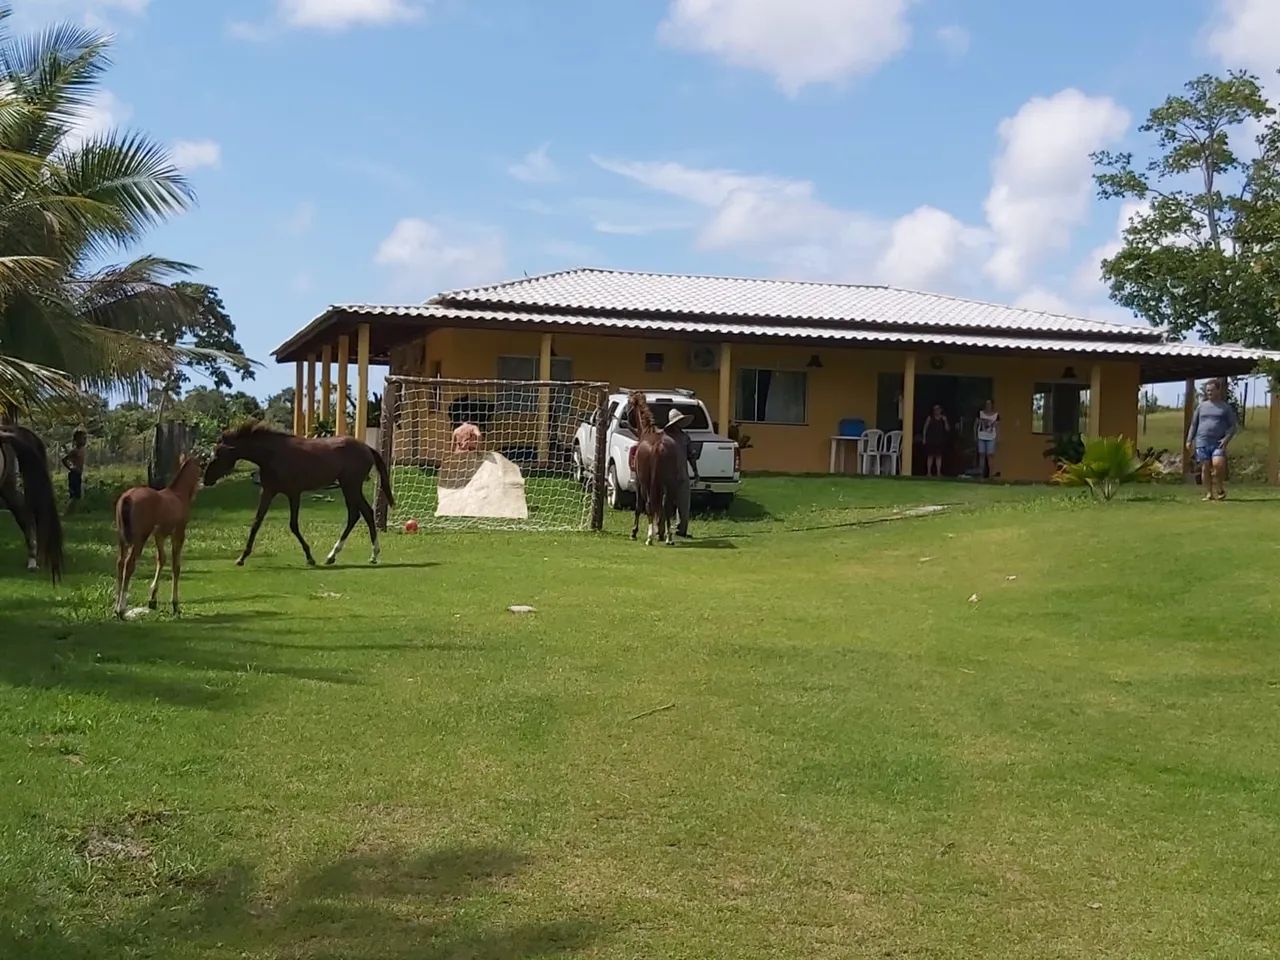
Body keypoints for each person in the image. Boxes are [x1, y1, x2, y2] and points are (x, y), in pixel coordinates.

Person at [1186, 379, 1239, 501]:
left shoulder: (1225, 407)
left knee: (1218, 464)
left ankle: (1219, 487)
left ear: (1218, 390)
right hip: (1202, 441)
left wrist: (1226, 439)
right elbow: (1194, 424)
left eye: (1211, 390)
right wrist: (1189, 440)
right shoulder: (1201, 407)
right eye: (1207, 390)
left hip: (1218, 442)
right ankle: (1209, 493)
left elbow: (1233, 426)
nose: (1209, 393)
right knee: (1205, 467)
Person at [662, 408, 700, 538]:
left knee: (684, 506)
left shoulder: (685, 438)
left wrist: (696, 472)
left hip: (683, 476)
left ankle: (681, 530)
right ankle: (661, 530)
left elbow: (691, 456)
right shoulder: (664, 438)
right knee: (665, 505)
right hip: (667, 478)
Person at [61, 428, 87, 514]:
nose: (85, 440)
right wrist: (71, 468)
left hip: (79, 474)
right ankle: (66, 512)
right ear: (77, 440)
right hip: (74, 475)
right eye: (83, 438)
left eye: (85, 438)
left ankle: (72, 512)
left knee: (78, 496)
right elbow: (64, 459)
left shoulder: (82, 450)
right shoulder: (75, 451)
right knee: (74, 496)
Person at [921, 404, 949, 477]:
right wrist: (924, 438)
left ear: (941, 410)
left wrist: (945, 421)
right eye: (935, 409)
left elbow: (947, 429)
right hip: (931, 440)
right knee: (930, 456)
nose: (937, 411)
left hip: (940, 440)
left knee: (939, 456)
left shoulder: (943, 419)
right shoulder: (930, 418)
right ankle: (929, 472)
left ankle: (938, 472)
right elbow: (925, 428)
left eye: (938, 409)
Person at [976, 399, 1000, 479]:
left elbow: (997, 427)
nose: (988, 405)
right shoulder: (980, 414)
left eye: (989, 404)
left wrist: (997, 438)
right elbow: (976, 424)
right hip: (981, 436)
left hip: (991, 437)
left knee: (990, 456)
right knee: (981, 455)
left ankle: (990, 475)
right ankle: (980, 474)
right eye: (987, 404)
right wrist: (975, 435)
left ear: (992, 405)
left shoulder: (996, 415)